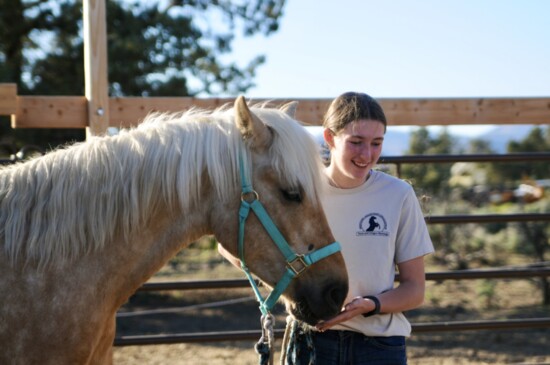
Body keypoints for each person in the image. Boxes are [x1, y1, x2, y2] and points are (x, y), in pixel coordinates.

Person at [220, 92, 434, 365]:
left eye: (376, 143)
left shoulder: (398, 195)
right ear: (330, 138)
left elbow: (414, 290)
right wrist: (286, 282)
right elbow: (230, 246)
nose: (367, 154)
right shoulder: (299, 190)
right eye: (356, 142)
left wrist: (372, 304)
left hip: (378, 346)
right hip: (312, 342)